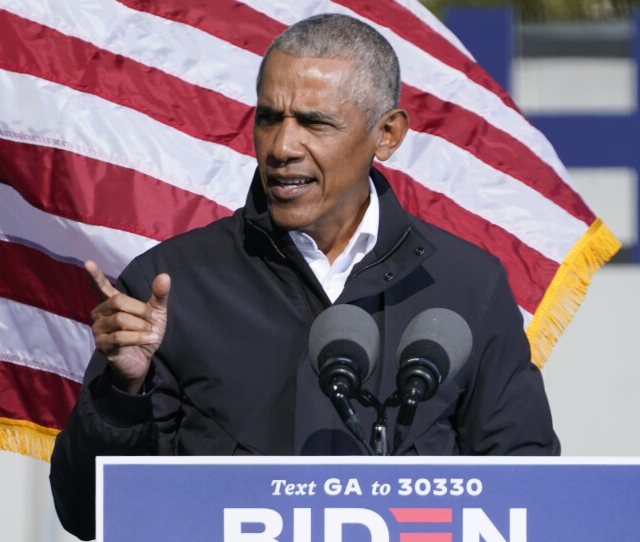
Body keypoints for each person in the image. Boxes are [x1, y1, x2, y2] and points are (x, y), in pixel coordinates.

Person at [50, 13, 560, 540]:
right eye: (269, 118)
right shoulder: (170, 285)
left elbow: (528, 495)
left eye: (314, 123)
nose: (281, 147)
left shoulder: (468, 286)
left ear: (386, 134)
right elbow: (86, 513)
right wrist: (122, 390)